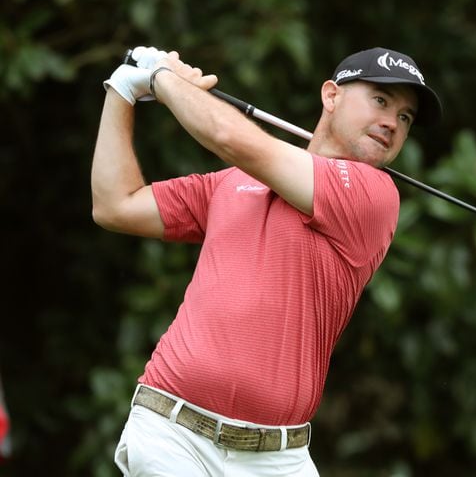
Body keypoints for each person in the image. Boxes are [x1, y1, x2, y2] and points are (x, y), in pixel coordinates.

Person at [92, 45, 441, 476]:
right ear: (331, 97)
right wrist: (123, 89)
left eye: (405, 117)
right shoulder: (231, 184)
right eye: (381, 101)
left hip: (279, 458)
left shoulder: (373, 196)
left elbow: (231, 139)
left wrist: (162, 77)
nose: (391, 122)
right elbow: (115, 206)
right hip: (172, 433)